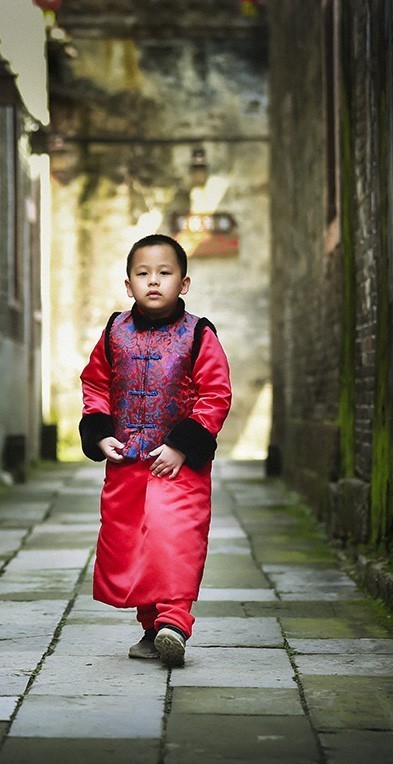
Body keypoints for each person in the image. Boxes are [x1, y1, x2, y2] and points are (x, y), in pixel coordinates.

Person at [79, 233, 232, 667]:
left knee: (175, 540)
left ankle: (175, 622)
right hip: (127, 461)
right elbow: (95, 384)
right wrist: (99, 430)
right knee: (133, 545)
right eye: (142, 274)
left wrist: (183, 446)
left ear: (183, 283)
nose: (153, 281)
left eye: (165, 273)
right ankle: (152, 628)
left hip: (178, 467)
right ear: (128, 284)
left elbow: (215, 393)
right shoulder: (114, 331)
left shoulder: (199, 333)